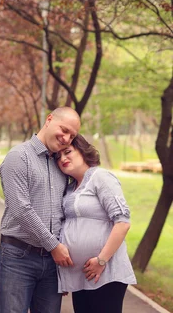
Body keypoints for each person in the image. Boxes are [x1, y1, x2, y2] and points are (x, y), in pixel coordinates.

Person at [0, 106, 81, 313]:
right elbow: (20, 209)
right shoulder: (19, 157)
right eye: (64, 129)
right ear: (49, 119)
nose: (66, 138)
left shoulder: (61, 164)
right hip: (18, 257)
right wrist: (54, 246)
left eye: (72, 135)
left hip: (52, 264)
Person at [56, 134, 136, 313]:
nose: (62, 158)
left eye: (67, 152)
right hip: (81, 275)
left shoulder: (101, 177)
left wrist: (101, 260)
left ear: (83, 151)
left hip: (106, 272)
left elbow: (123, 222)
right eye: (58, 156)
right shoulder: (70, 188)